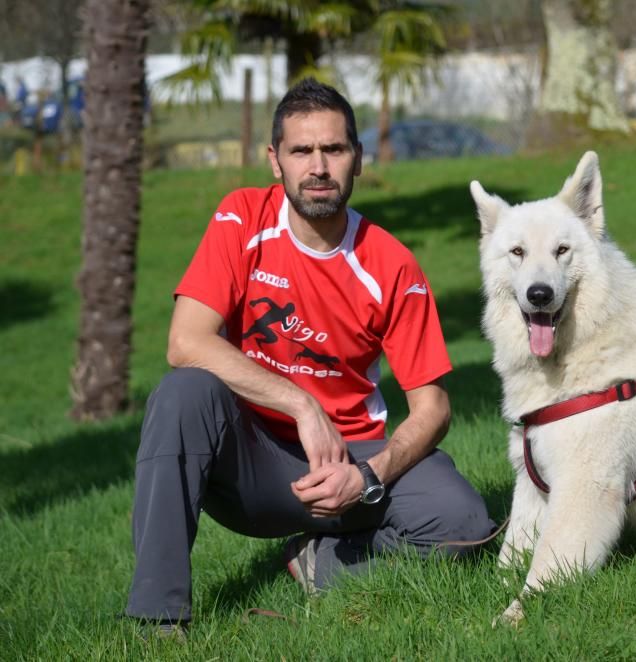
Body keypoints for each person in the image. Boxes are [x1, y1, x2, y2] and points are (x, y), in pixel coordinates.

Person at [124, 78, 495, 635]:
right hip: (252, 467)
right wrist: (303, 405)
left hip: (351, 465)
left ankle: (321, 564)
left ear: (358, 159)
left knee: (466, 522)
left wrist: (369, 476)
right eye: (302, 150)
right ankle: (157, 617)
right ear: (275, 160)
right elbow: (186, 342)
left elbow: (433, 409)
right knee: (183, 392)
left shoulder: (392, 265)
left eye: (334, 149)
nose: (318, 166)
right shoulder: (242, 218)